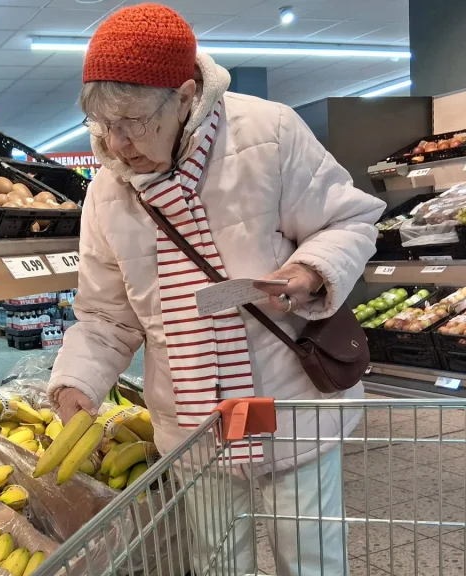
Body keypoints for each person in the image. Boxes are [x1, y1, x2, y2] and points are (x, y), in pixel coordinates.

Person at [46, 4, 386, 575]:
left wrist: (309, 274)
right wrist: (77, 382)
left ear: (183, 96)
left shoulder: (270, 134)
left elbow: (350, 220)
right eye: (104, 125)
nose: (119, 143)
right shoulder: (106, 193)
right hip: (191, 418)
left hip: (287, 399)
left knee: (309, 557)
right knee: (216, 559)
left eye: (134, 122)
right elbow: (106, 315)